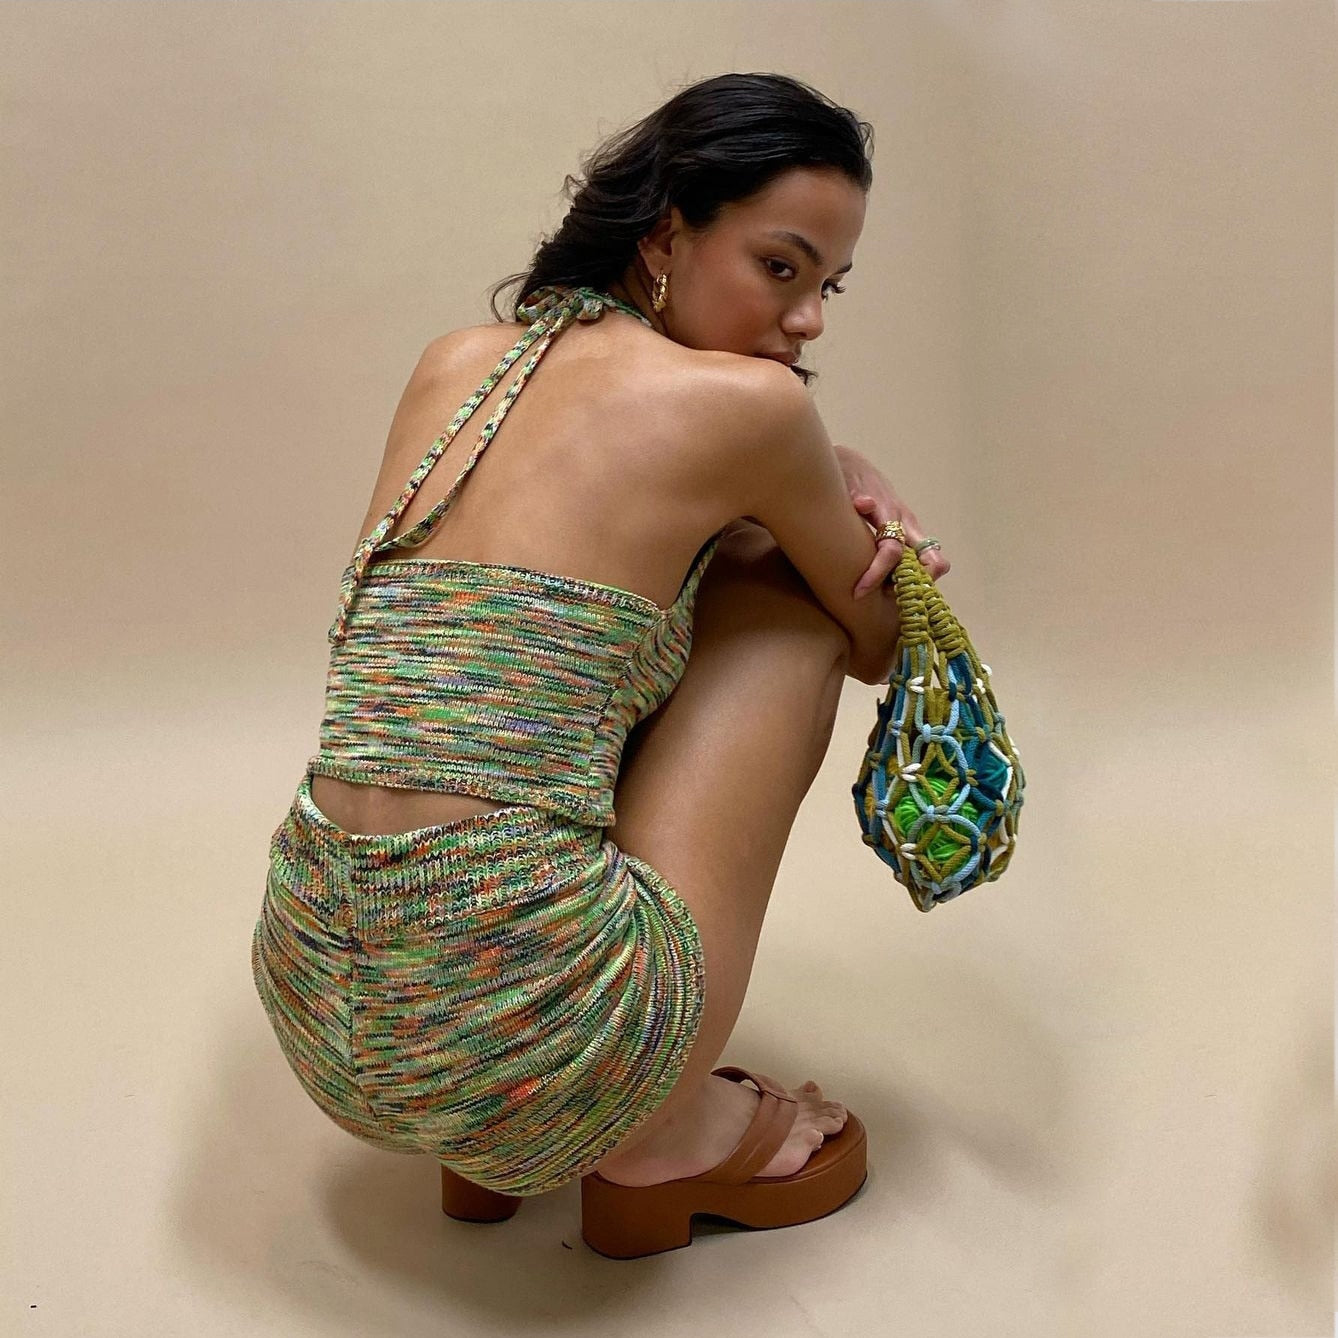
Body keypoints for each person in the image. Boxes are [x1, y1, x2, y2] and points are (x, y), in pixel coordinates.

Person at [250, 70, 950, 1259]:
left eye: (827, 286)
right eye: (780, 267)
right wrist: (843, 481)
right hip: (538, 1030)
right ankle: (659, 1134)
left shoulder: (455, 363)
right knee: (783, 595)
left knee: (589, 660)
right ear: (667, 234)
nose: (809, 321)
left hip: (319, 995)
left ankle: (490, 1143)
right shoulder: (753, 409)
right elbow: (882, 638)